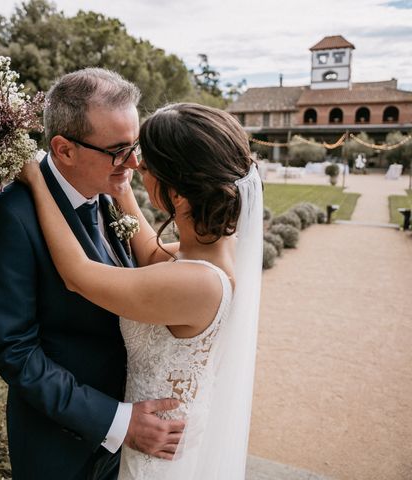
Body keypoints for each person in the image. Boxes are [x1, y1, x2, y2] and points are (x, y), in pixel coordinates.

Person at [18, 102, 263, 479]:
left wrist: (36, 181)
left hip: (156, 460)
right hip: (155, 441)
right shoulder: (212, 251)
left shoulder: (196, 284)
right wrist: (122, 193)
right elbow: (150, 252)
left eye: (144, 167)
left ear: (178, 196)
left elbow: (78, 274)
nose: (131, 166)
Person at [0, 69, 185, 480]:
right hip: (62, 449)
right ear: (64, 149)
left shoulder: (111, 191)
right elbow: (16, 353)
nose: (134, 163)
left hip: (133, 440)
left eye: (135, 146)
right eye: (119, 150)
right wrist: (118, 422)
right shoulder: (9, 216)